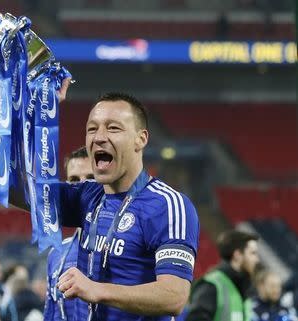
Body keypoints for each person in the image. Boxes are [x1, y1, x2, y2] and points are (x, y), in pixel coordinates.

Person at [13, 92, 200, 320]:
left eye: (113, 128)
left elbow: (174, 296)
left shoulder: (167, 205)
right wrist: (31, 114)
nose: (99, 137)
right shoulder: (88, 195)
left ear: (141, 139)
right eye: (92, 129)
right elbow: (14, 189)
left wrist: (97, 289)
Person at [44, 146, 93, 321]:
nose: (81, 186)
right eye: (74, 180)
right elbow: (51, 314)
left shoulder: (125, 246)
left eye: (91, 178)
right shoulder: (57, 252)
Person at [186, 229, 260, 321]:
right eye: (253, 253)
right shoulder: (212, 285)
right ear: (237, 255)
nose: (257, 260)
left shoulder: (243, 289)